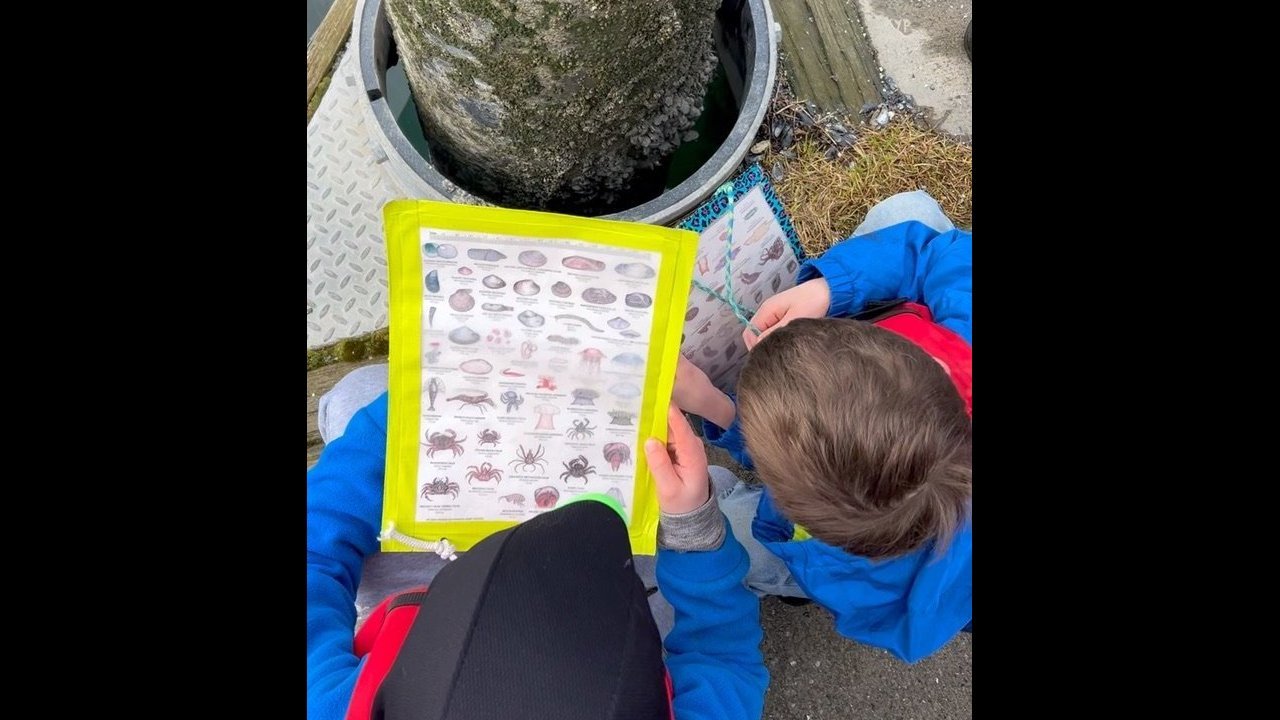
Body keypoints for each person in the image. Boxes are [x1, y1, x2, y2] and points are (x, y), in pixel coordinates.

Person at [308, 393, 768, 719]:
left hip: (426, 589)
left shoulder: (337, 705)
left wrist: (406, 414)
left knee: (357, 396)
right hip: (610, 588)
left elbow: (314, 557)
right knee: (742, 529)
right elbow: (725, 659)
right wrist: (692, 524)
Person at [673, 190, 972, 663]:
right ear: (923, 359)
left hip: (846, 566)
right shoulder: (960, 347)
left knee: (731, 531)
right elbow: (945, 254)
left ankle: (784, 582)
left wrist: (714, 406)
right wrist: (829, 289)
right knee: (905, 211)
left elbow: (785, 495)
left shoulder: (842, 571)